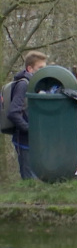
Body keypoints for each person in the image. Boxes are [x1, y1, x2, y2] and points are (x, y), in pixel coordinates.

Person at [8, 51, 48, 179]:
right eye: (40, 68)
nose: (42, 71)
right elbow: (13, 112)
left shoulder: (35, 85)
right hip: (24, 141)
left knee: (38, 179)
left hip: (34, 141)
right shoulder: (23, 85)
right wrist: (29, 129)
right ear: (30, 68)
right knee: (30, 181)